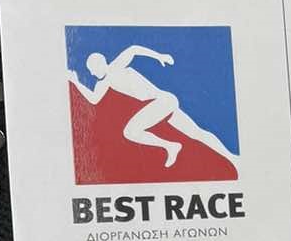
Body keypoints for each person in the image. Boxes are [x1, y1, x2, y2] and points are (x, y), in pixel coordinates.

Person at [68, 44, 236, 170]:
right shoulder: (103, 83)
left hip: (162, 101)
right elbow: (94, 99)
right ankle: (232, 158)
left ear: (100, 64)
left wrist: (159, 56)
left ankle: (171, 146)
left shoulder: (116, 66)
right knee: (196, 133)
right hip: (162, 104)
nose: (91, 74)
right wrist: (76, 82)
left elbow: (133, 49)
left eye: (92, 70)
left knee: (130, 132)